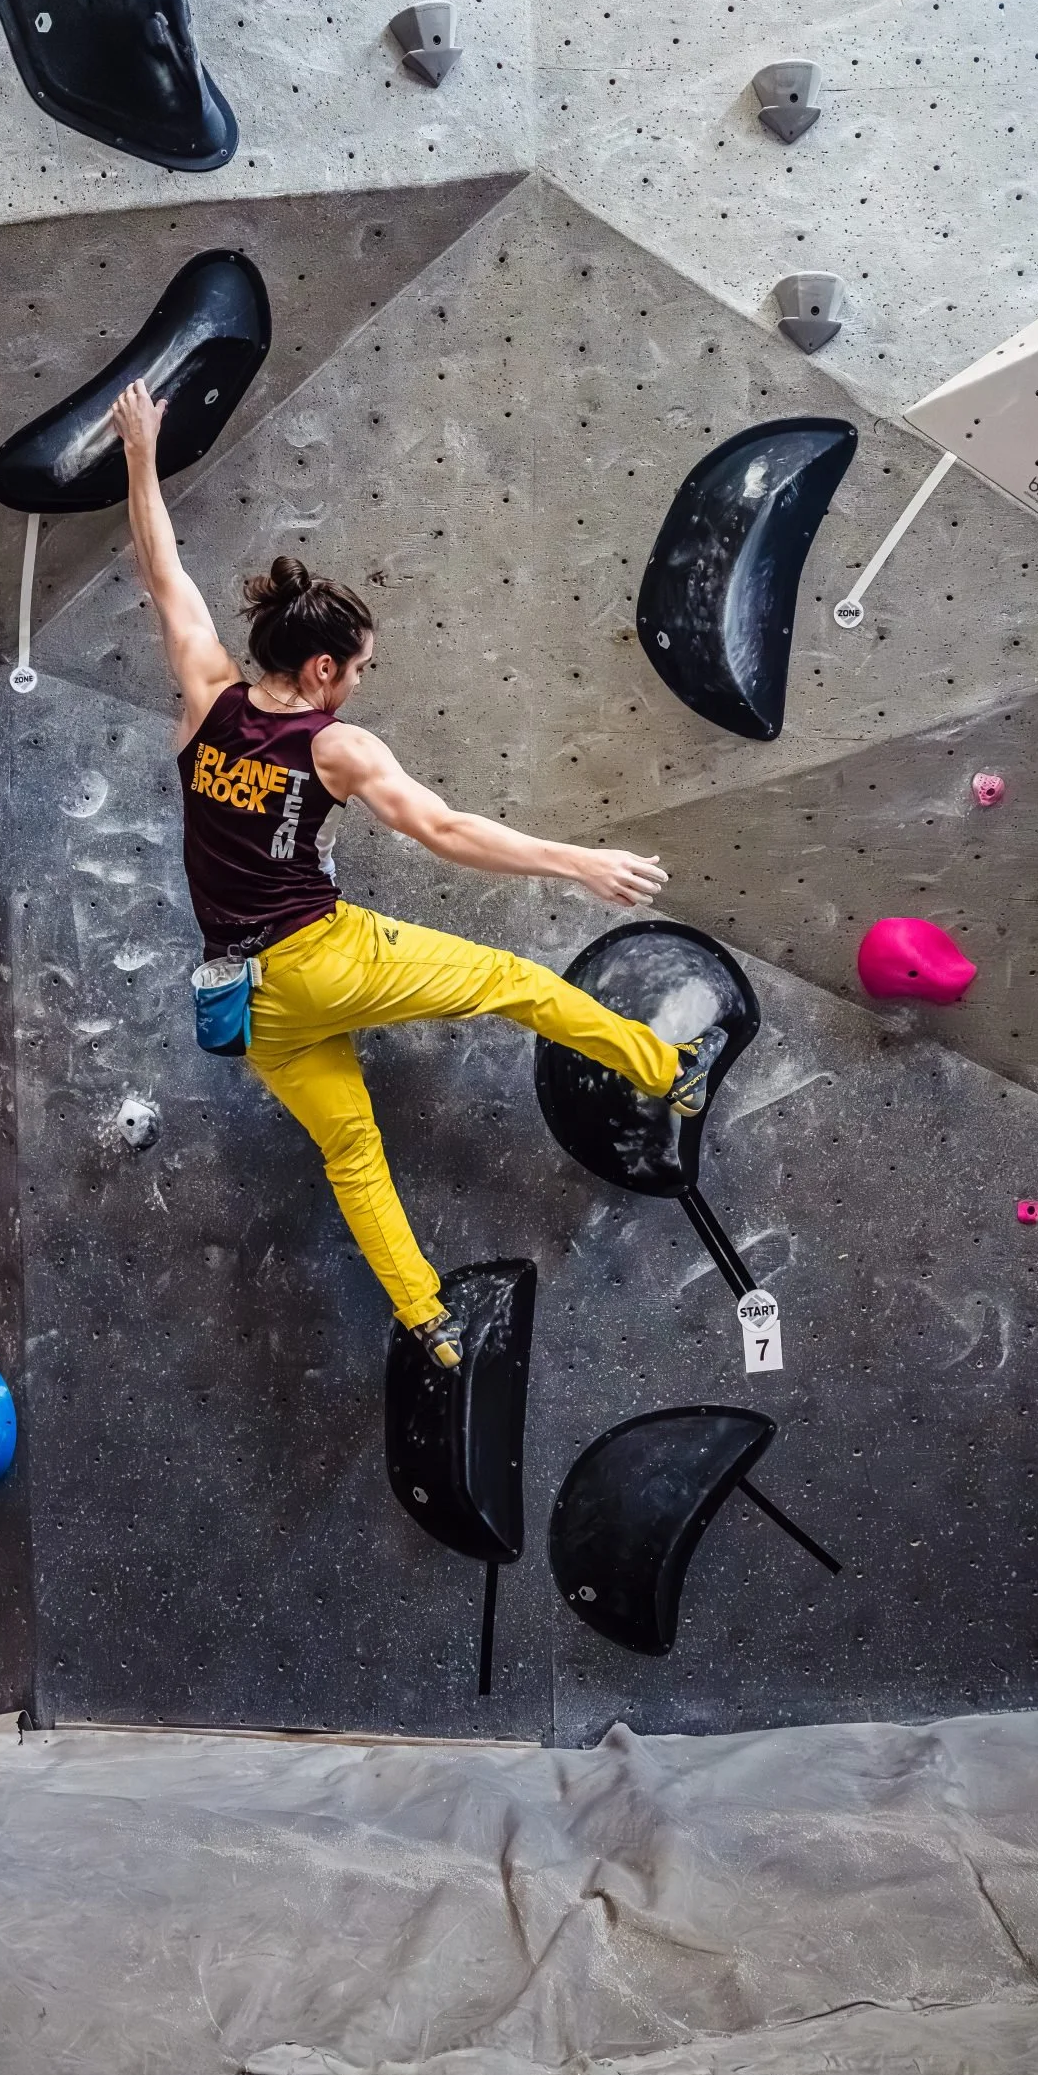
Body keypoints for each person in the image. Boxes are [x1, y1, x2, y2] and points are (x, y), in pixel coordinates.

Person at [107, 378, 728, 1372]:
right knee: (515, 984)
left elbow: (162, 569)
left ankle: (427, 1320)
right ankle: (670, 1073)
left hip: (245, 1003)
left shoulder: (205, 694)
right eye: (356, 668)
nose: (359, 682)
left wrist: (141, 455)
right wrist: (577, 861)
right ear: (319, 671)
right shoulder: (335, 746)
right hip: (322, 959)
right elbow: (441, 827)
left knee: (353, 1153)